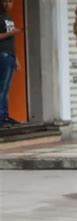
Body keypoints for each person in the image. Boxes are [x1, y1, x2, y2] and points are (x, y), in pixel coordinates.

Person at [0, 0, 21, 128]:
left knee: (6, 88)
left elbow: (11, 41)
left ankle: (5, 116)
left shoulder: (9, 18)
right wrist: (11, 33)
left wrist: (16, 58)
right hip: (2, 54)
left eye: (10, 1)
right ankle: (1, 117)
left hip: (10, 55)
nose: (8, 4)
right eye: (5, 1)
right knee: (2, 88)